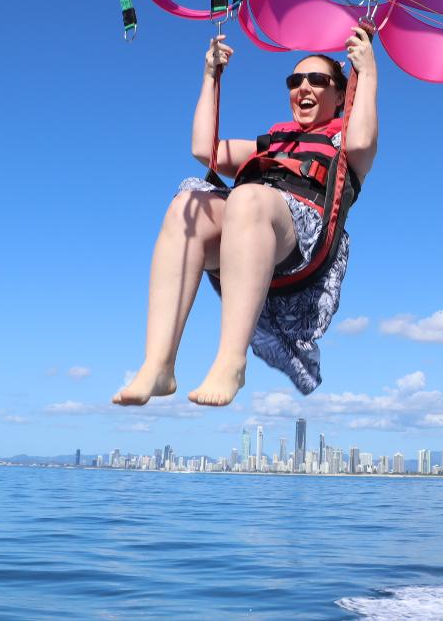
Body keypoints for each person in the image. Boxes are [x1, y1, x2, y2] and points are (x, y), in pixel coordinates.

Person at [112, 26, 378, 407]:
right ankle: (159, 364)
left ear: (339, 95)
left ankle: (230, 361)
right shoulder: (273, 142)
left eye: (317, 80)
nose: (303, 87)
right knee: (186, 206)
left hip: (301, 237)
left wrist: (366, 71)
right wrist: (210, 76)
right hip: (247, 224)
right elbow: (204, 150)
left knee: (247, 198)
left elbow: (363, 139)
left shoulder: (346, 144)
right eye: (295, 81)